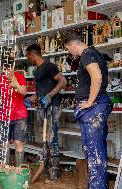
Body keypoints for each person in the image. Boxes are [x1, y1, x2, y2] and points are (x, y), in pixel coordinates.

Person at [64, 33, 112, 189]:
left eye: (68, 49)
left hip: (94, 106)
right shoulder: (96, 53)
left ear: (72, 44)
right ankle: (100, 185)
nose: (70, 53)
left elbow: (97, 77)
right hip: (99, 104)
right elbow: (106, 79)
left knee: (93, 152)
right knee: (98, 150)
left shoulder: (87, 54)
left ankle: (97, 186)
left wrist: (90, 101)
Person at [26, 44, 67, 182]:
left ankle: (54, 174)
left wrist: (50, 95)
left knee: (51, 138)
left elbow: (63, 81)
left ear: (32, 54)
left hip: (53, 106)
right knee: (44, 139)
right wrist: (30, 99)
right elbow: (39, 93)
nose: (28, 59)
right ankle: (47, 168)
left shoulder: (49, 66)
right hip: (42, 107)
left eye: (28, 56)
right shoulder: (37, 71)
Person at [0, 63, 28, 167]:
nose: (6, 70)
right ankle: (5, 168)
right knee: (4, 144)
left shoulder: (20, 76)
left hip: (19, 115)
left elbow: (24, 92)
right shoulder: (0, 79)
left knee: (18, 142)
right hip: (5, 115)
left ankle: (19, 169)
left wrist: (16, 85)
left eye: (9, 68)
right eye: (4, 68)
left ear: (13, 67)